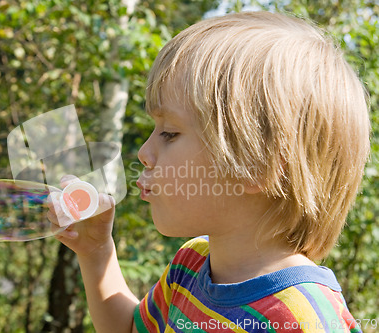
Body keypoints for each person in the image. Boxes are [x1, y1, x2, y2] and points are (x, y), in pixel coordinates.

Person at [49, 11, 370, 333]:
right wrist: (96, 253)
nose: (144, 153)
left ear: (255, 166)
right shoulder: (191, 266)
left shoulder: (302, 320)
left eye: (169, 133)